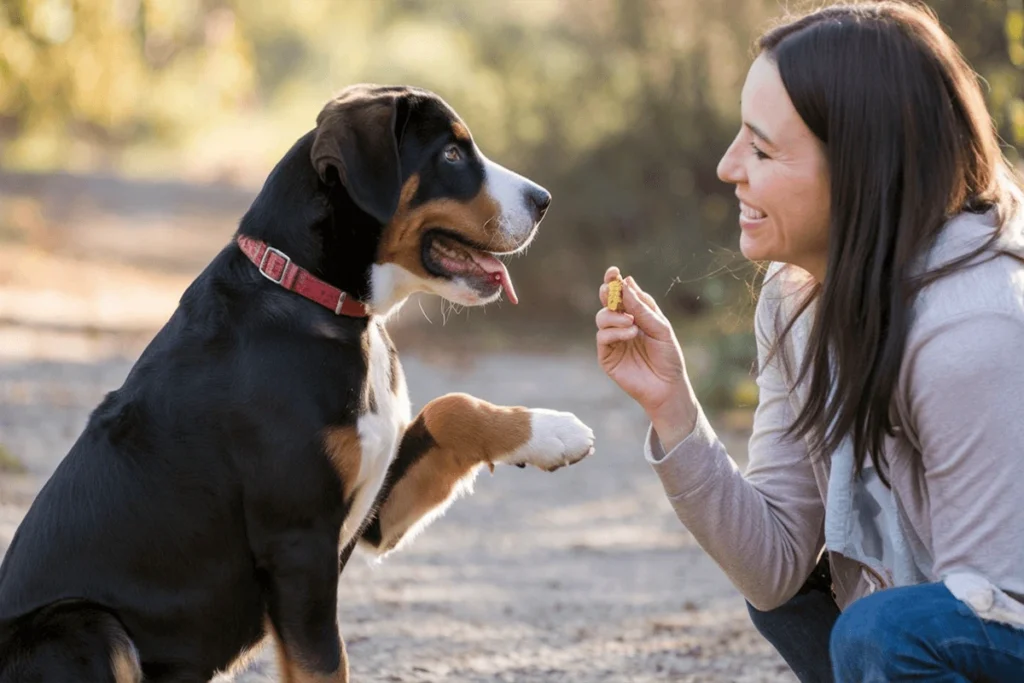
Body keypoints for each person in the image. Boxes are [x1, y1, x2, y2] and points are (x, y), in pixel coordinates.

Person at [595, 3, 1024, 681]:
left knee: (884, 629)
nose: (727, 166)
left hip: (1007, 613)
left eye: (762, 149)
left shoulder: (974, 327)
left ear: (860, 168)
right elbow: (773, 570)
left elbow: (997, 605)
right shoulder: (795, 295)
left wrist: (879, 618)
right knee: (812, 602)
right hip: (937, 621)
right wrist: (673, 406)